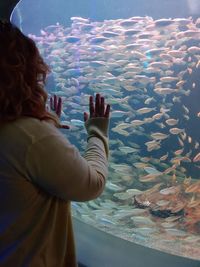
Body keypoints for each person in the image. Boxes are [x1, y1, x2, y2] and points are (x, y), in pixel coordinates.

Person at [0, 20, 110, 267]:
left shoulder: (25, 134)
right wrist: (97, 132)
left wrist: (46, 129)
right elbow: (92, 184)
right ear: (22, 73)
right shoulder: (29, 137)